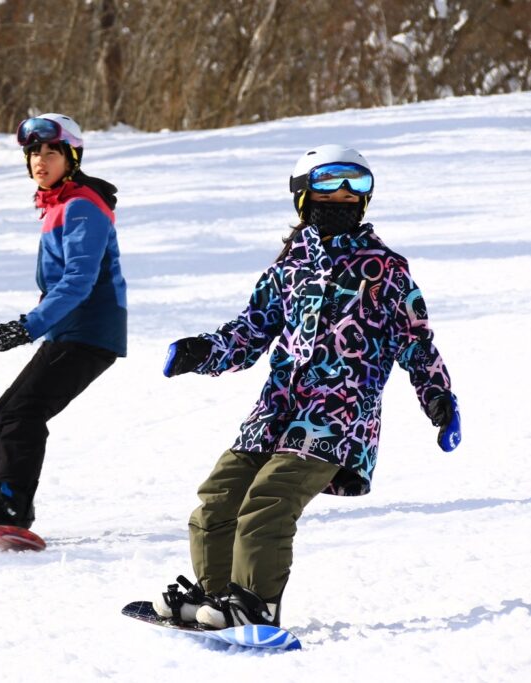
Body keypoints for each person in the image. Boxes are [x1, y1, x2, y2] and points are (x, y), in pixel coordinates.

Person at [151, 145, 461, 629]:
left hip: (339, 417)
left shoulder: (386, 269)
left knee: (270, 499)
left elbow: (416, 342)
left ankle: (257, 603)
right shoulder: (287, 268)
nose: (341, 196)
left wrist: (439, 398)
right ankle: (215, 598)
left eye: (355, 186)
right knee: (219, 495)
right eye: (329, 185)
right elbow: (250, 331)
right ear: (302, 196)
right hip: (274, 411)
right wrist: (203, 351)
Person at [0, 113, 127, 529]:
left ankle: (11, 504)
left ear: (71, 158)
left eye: (52, 152)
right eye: (33, 152)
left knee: (24, 413)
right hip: (68, 332)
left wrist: (29, 325)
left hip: (91, 333)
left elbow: (79, 280)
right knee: (1, 413)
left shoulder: (81, 208)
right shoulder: (59, 204)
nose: (41, 160)